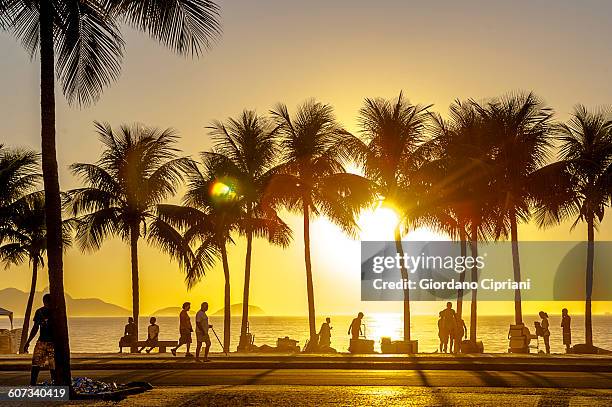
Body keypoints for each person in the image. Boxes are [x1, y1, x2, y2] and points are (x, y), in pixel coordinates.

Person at [23, 294, 55, 385]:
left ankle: (33, 384)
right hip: (52, 343)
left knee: (36, 365)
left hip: (43, 342)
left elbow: (35, 328)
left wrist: (28, 342)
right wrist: (28, 341)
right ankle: (54, 384)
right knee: (52, 365)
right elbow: (35, 328)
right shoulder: (55, 312)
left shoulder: (40, 311)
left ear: (43, 301)